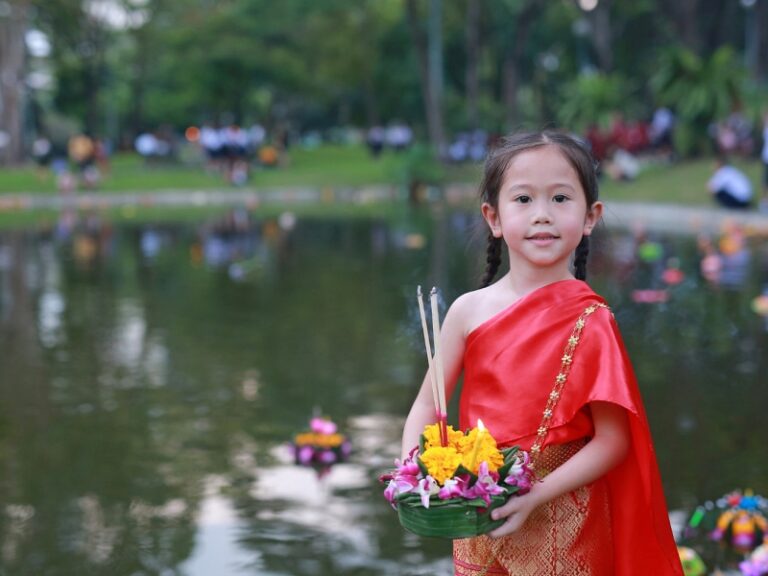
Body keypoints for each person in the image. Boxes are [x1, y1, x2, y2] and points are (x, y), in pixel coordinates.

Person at [400, 130, 683, 575]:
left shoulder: (592, 320)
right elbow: (426, 405)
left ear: (590, 217)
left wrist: (535, 494)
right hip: (478, 514)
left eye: (560, 198)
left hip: (565, 525)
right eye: (523, 199)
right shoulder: (466, 311)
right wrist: (414, 474)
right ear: (493, 217)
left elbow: (613, 441)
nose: (543, 215)